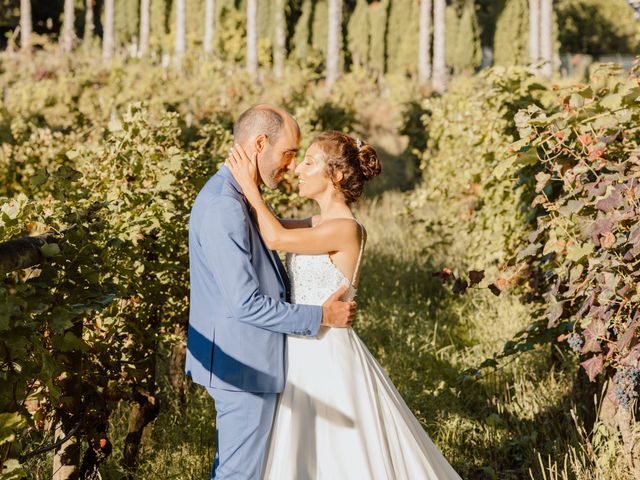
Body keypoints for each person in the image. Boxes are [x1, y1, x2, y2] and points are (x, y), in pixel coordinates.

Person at [226, 130, 462, 479]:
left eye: (308, 163)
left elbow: (276, 238)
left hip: (326, 351)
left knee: (338, 450)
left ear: (334, 175)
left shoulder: (347, 228)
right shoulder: (319, 222)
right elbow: (265, 230)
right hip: (303, 344)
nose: (298, 170)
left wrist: (250, 187)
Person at [185, 105, 357, 480]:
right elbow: (246, 303)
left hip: (256, 360)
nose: (292, 165)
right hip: (243, 362)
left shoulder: (237, 196)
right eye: (289, 153)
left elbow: (278, 232)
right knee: (238, 475)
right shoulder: (224, 205)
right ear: (260, 143)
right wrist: (322, 316)